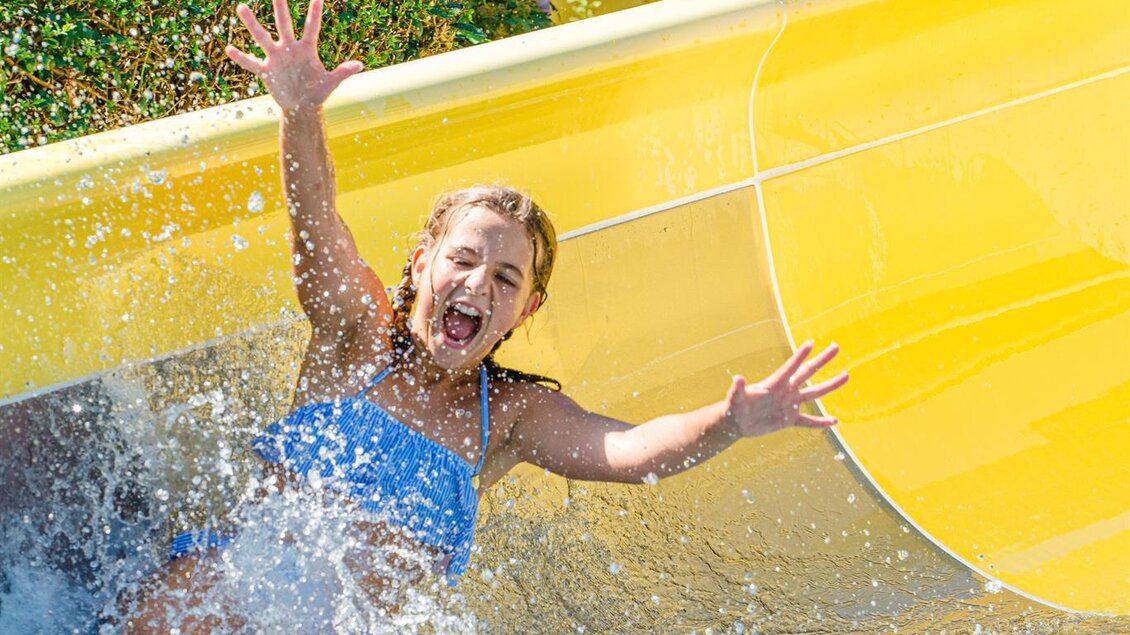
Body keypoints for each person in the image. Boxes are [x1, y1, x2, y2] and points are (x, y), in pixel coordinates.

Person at [117, 0, 849, 630]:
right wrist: (301, 114)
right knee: (186, 602)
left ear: (525, 309)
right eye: (462, 259)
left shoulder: (511, 417)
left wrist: (731, 420)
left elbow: (632, 451)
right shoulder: (355, 334)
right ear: (420, 264)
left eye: (505, 278)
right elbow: (316, 220)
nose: (477, 283)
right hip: (225, 598)